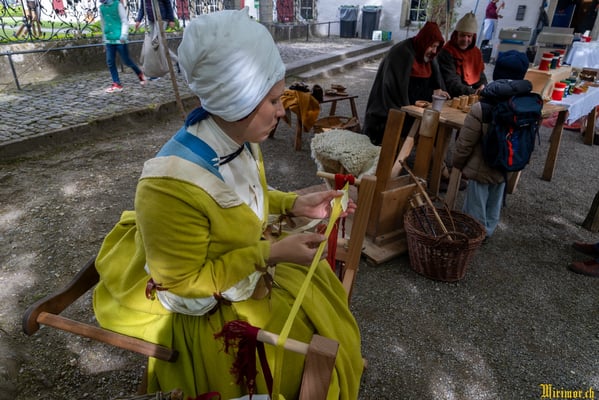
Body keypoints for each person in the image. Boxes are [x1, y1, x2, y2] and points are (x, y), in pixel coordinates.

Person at [92, 8, 363, 399]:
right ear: (237, 99)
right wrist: (271, 253)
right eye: (273, 100)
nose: (283, 110)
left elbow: (240, 198)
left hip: (246, 272)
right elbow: (183, 284)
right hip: (210, 313)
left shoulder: (238, 138)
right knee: (302, 365)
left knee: (329, 323)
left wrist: (295, 205)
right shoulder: (167, 188)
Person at [452, 50, 531, 240]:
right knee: (495, 198)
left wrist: (458, 163)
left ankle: (472, 233)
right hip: (508, 163)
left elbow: (465, 142)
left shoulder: (483, 107)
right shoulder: (526, 105)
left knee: (476, 201)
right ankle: (488, 229)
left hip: (481, 164)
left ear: (496, 73)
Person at [362, 21, 449, 145]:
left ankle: (428, 154)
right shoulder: (401, 53)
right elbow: (392, 90)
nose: (434, 51)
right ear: (423, 42)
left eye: (437, 47)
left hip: (417, 107)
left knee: (438, 124)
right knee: (419, 122)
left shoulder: (430, 58)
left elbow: (430, 85)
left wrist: (437, 92)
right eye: (432, 46)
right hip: (390, 109)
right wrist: (412, 105)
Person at [99, 0, 146, 93]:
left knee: (127, 61)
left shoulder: (118, 5)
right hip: (109, 39)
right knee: (110, 62)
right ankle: (117, 83)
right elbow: (103, 24)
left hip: (120, 38)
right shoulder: (102, 8)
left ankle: (140, 73)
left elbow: (124, 21)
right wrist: (104, 40)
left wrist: (124, 34)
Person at [438, 12, 487, 98]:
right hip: (450, 95)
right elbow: (452, 83)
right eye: (462, 35)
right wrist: (475, 92)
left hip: (469, 94)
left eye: (469, 36)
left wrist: (483, 86)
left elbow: (480, 75)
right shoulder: (447, 52)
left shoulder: (476, 52)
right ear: (456, 35)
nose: (465, 39)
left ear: (473, 37)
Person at [134, 0, 178, 71]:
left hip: (161, 19)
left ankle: (169, 63)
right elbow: (142, 7)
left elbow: (168, 4)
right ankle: (176, 61)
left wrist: (171, 19)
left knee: (156, 43)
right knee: (156, 45)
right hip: (151, 20)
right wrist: (138, 20)